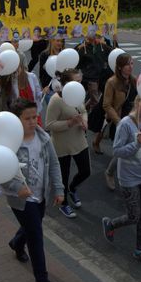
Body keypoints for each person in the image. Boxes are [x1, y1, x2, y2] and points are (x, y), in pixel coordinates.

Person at [0, 99, 65, 282]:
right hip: (21, 199)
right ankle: (42, 280)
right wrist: (17, 188)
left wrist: (59, 189)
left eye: (34, 117)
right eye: (27, 118)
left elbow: (53, 164)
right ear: (16, 121)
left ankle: (17, 243)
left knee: (31, 227)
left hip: (41, 194)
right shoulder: (9, 144)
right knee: (36, 236)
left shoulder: (43, 138)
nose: (32, 121)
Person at [101, 96, 141, 266]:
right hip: (129, 177)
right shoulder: (126, 123)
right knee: (134, 216)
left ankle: (139, 251)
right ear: (137, 102)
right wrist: (136, 144)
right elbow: (117, 151)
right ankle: (110, 224)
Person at [45, 69, 91, 219]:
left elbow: (83, 111)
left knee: (85, 171)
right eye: (76, 82)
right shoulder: (56, 100)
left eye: (80, 81)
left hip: (78, 140)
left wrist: (84, 121)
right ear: (66, 84)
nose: (79, 85)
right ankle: (63, 204)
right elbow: (49, 125)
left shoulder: (78, 94)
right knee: (62, 176)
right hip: (62, 144)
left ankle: (73, 188)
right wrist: (70, 123)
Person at [103, 53, 137, 190]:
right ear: (120, 67)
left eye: (132, 63)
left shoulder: (134, 80)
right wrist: (119, 122)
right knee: (123, 150)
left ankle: (125, 174)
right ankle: (110, 172)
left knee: (131, 149)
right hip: (120, 120)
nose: (130, 67)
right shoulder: (112, 82)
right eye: (127, 64)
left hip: (133, 118)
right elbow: (106, 105)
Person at [77, 30, 113, 153]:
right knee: (97, 103)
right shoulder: (83, 48)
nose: (94, 37)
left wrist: (114, 39)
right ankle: (85, 120)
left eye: (97, 35)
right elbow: (77, 63)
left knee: (93, 103)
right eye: (92, 35)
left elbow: (115, 55)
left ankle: (83, 112)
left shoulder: (102, 46)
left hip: (102, 79)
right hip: (90, 78)